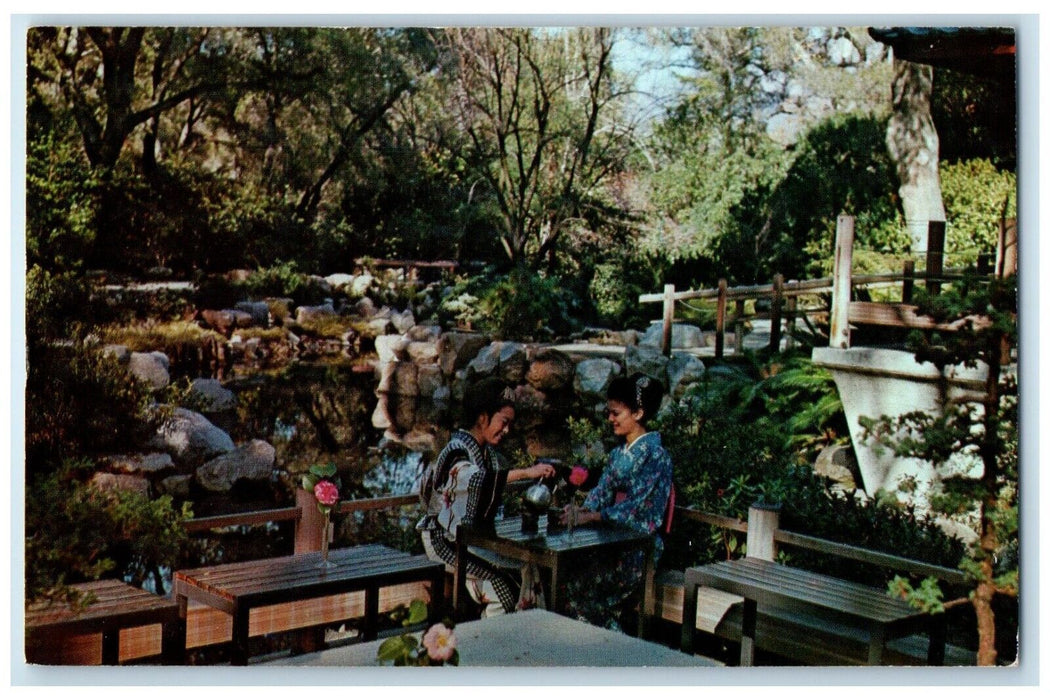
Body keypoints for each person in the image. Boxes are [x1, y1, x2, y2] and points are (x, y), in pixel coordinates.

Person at [417, 377, 555, 615]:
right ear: (482, 418)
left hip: (472, 538)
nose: (507, 430)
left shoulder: (487, 454)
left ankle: (528, 634)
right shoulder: (456, 450)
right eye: (503, 422)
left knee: (528, 564)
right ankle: (491, 645)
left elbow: (495, 484)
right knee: (503, 583)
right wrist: (525, 472)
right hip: (445, 539)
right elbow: (472, 478)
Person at [559, 372, 674, 631]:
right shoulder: (617, 454)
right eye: (609, 412)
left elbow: (638, 507)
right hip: (611, 542)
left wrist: (595, 517)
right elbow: (603, 490)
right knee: (567, 580)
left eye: (616, 413)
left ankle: (617, 651)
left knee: (581, 590)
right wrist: (582, 509)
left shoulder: (657, 456)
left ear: (638, 413)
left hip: (637, 545)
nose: (610, 419)